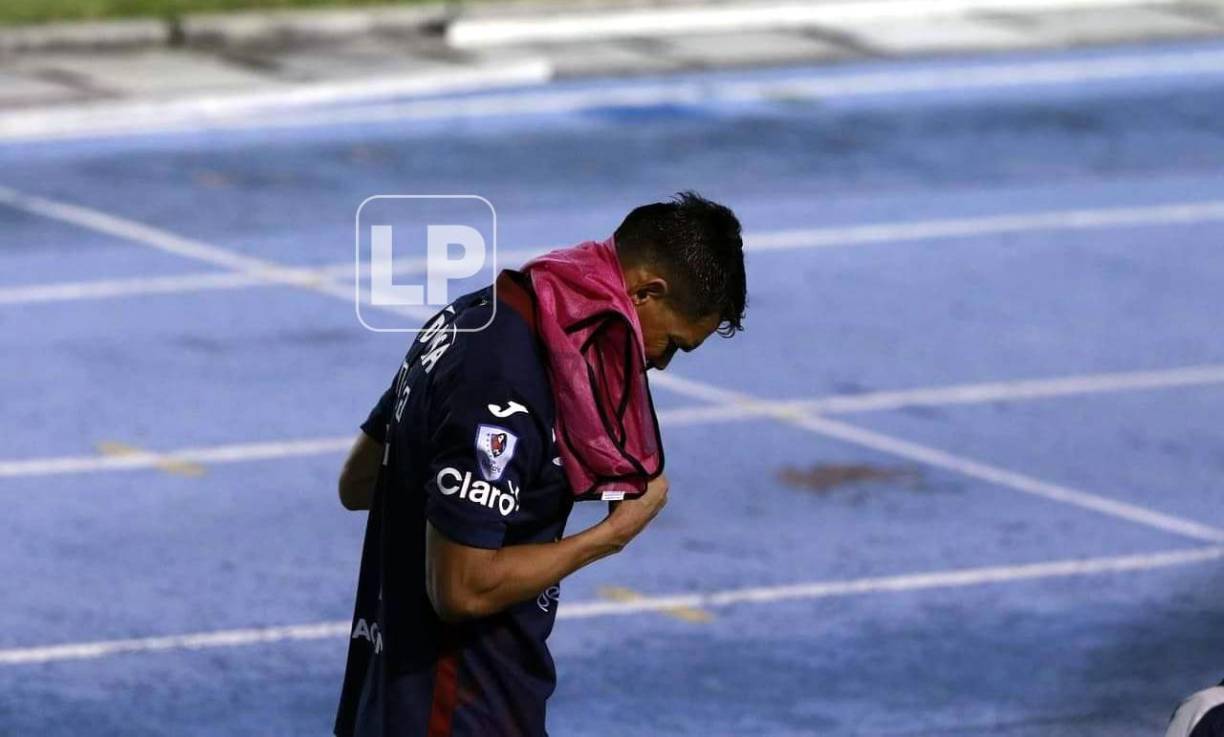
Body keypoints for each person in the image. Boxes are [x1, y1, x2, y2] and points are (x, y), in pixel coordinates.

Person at [333, 192, 748, 737]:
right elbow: (461, 588)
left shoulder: (473, 315)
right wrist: (608, 536)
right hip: (456, 708)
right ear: (647, 292)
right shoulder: (510, 375)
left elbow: (360, 481)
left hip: (390, 698)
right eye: (672, 343)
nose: (661, 363)